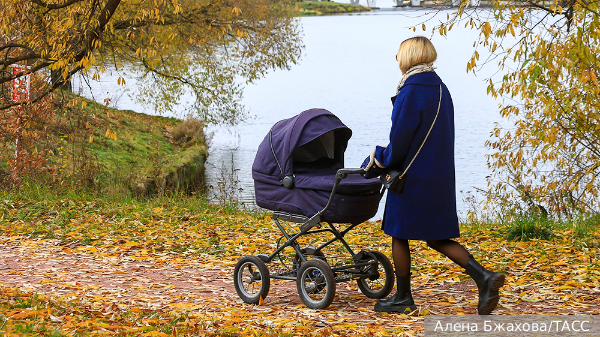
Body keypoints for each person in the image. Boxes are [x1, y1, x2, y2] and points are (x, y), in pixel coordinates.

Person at [361, 36, 505, 315]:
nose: (397, 59)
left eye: (399, 54)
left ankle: (403, 298)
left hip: (412, 178)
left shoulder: (410, 90)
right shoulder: (441, 87)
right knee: (437, 237)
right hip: (438, 175)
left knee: (397, 232)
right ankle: (484, 277)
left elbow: (400, 141)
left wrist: (379, 158)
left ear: (408, 57)